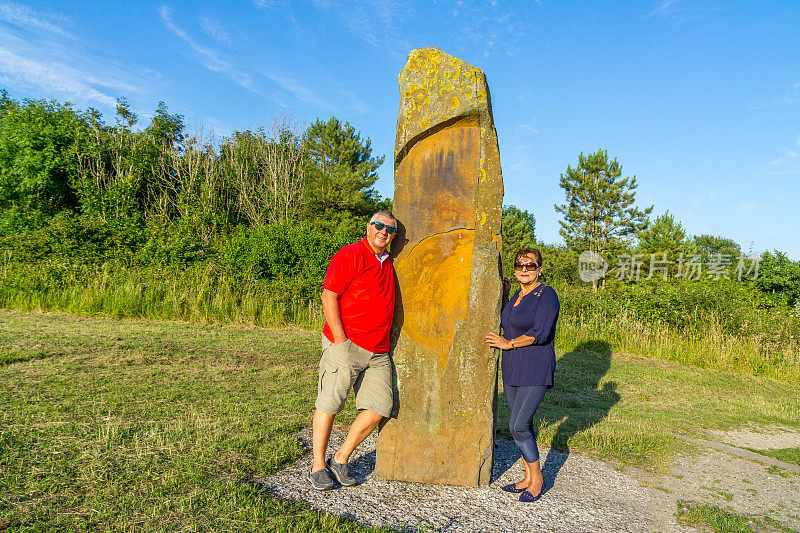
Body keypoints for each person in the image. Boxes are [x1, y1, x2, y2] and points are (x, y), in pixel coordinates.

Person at [308, 210, 397, 491]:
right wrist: (339, 339)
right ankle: (318, 466)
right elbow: (329, 295)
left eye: (389, 229)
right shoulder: (350, 254)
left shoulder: (388, 261)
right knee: (330, 404)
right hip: (346, 344)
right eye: (379, 225)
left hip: (379, 350)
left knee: (380, 407)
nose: (383, 231)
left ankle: (340, 457)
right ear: (368, 227)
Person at [484, 248, 560, 503]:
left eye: (530, 265)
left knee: (517, 425)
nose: (524, 269)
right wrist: (504, 294)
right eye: (520, 265)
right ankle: (527, 478)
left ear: (540, 269)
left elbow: (541, 332)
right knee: (521, 425)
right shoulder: (516, 294)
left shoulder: (546, 294)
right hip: (513, 367)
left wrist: (508, 344)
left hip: (535, 366)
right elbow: (509, 320)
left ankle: (537, 479)